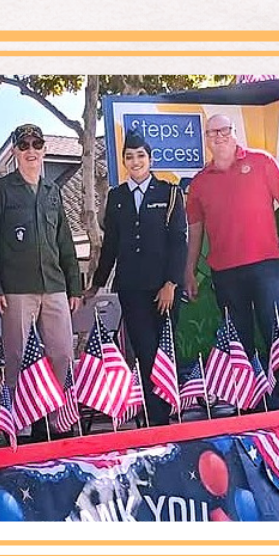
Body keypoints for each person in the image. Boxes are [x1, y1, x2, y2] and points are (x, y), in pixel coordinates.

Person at [185, 114, 279, 395]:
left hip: (266, 266)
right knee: (237, 341)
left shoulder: (262, 161)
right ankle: (250, 400)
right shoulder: (199, 183)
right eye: (212, 132)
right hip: (225, 273)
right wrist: (188, 270)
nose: (218, 136)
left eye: (224, 130)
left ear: (234, 132)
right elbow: (196, 231)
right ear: (206, 138)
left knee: (277, 332)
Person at [0, 124, 82, 419]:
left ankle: (56, 420)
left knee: (62, 353)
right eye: (24, 146)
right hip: (16, 288)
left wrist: (74, 286)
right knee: (16, 356)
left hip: (54, 285)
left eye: (37, 144)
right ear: (14, 152)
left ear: (44, 149)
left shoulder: (53, 192)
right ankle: (19, 424)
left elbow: (65, 242)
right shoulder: (1, 190)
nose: (31, 151)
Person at [86, 131, 188, 425]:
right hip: (132, 288)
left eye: (141, 155)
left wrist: (171, 282)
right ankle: (156, 421)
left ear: (150, 158)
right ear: (123, 161)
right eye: (129, 156)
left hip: (164, 288)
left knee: (165, 352)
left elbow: (178, 241)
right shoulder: (116, 197)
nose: (135, 161)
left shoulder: (169, 193)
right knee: (145, 351)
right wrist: (96, 283)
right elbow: (111, 246)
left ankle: (168, 414)